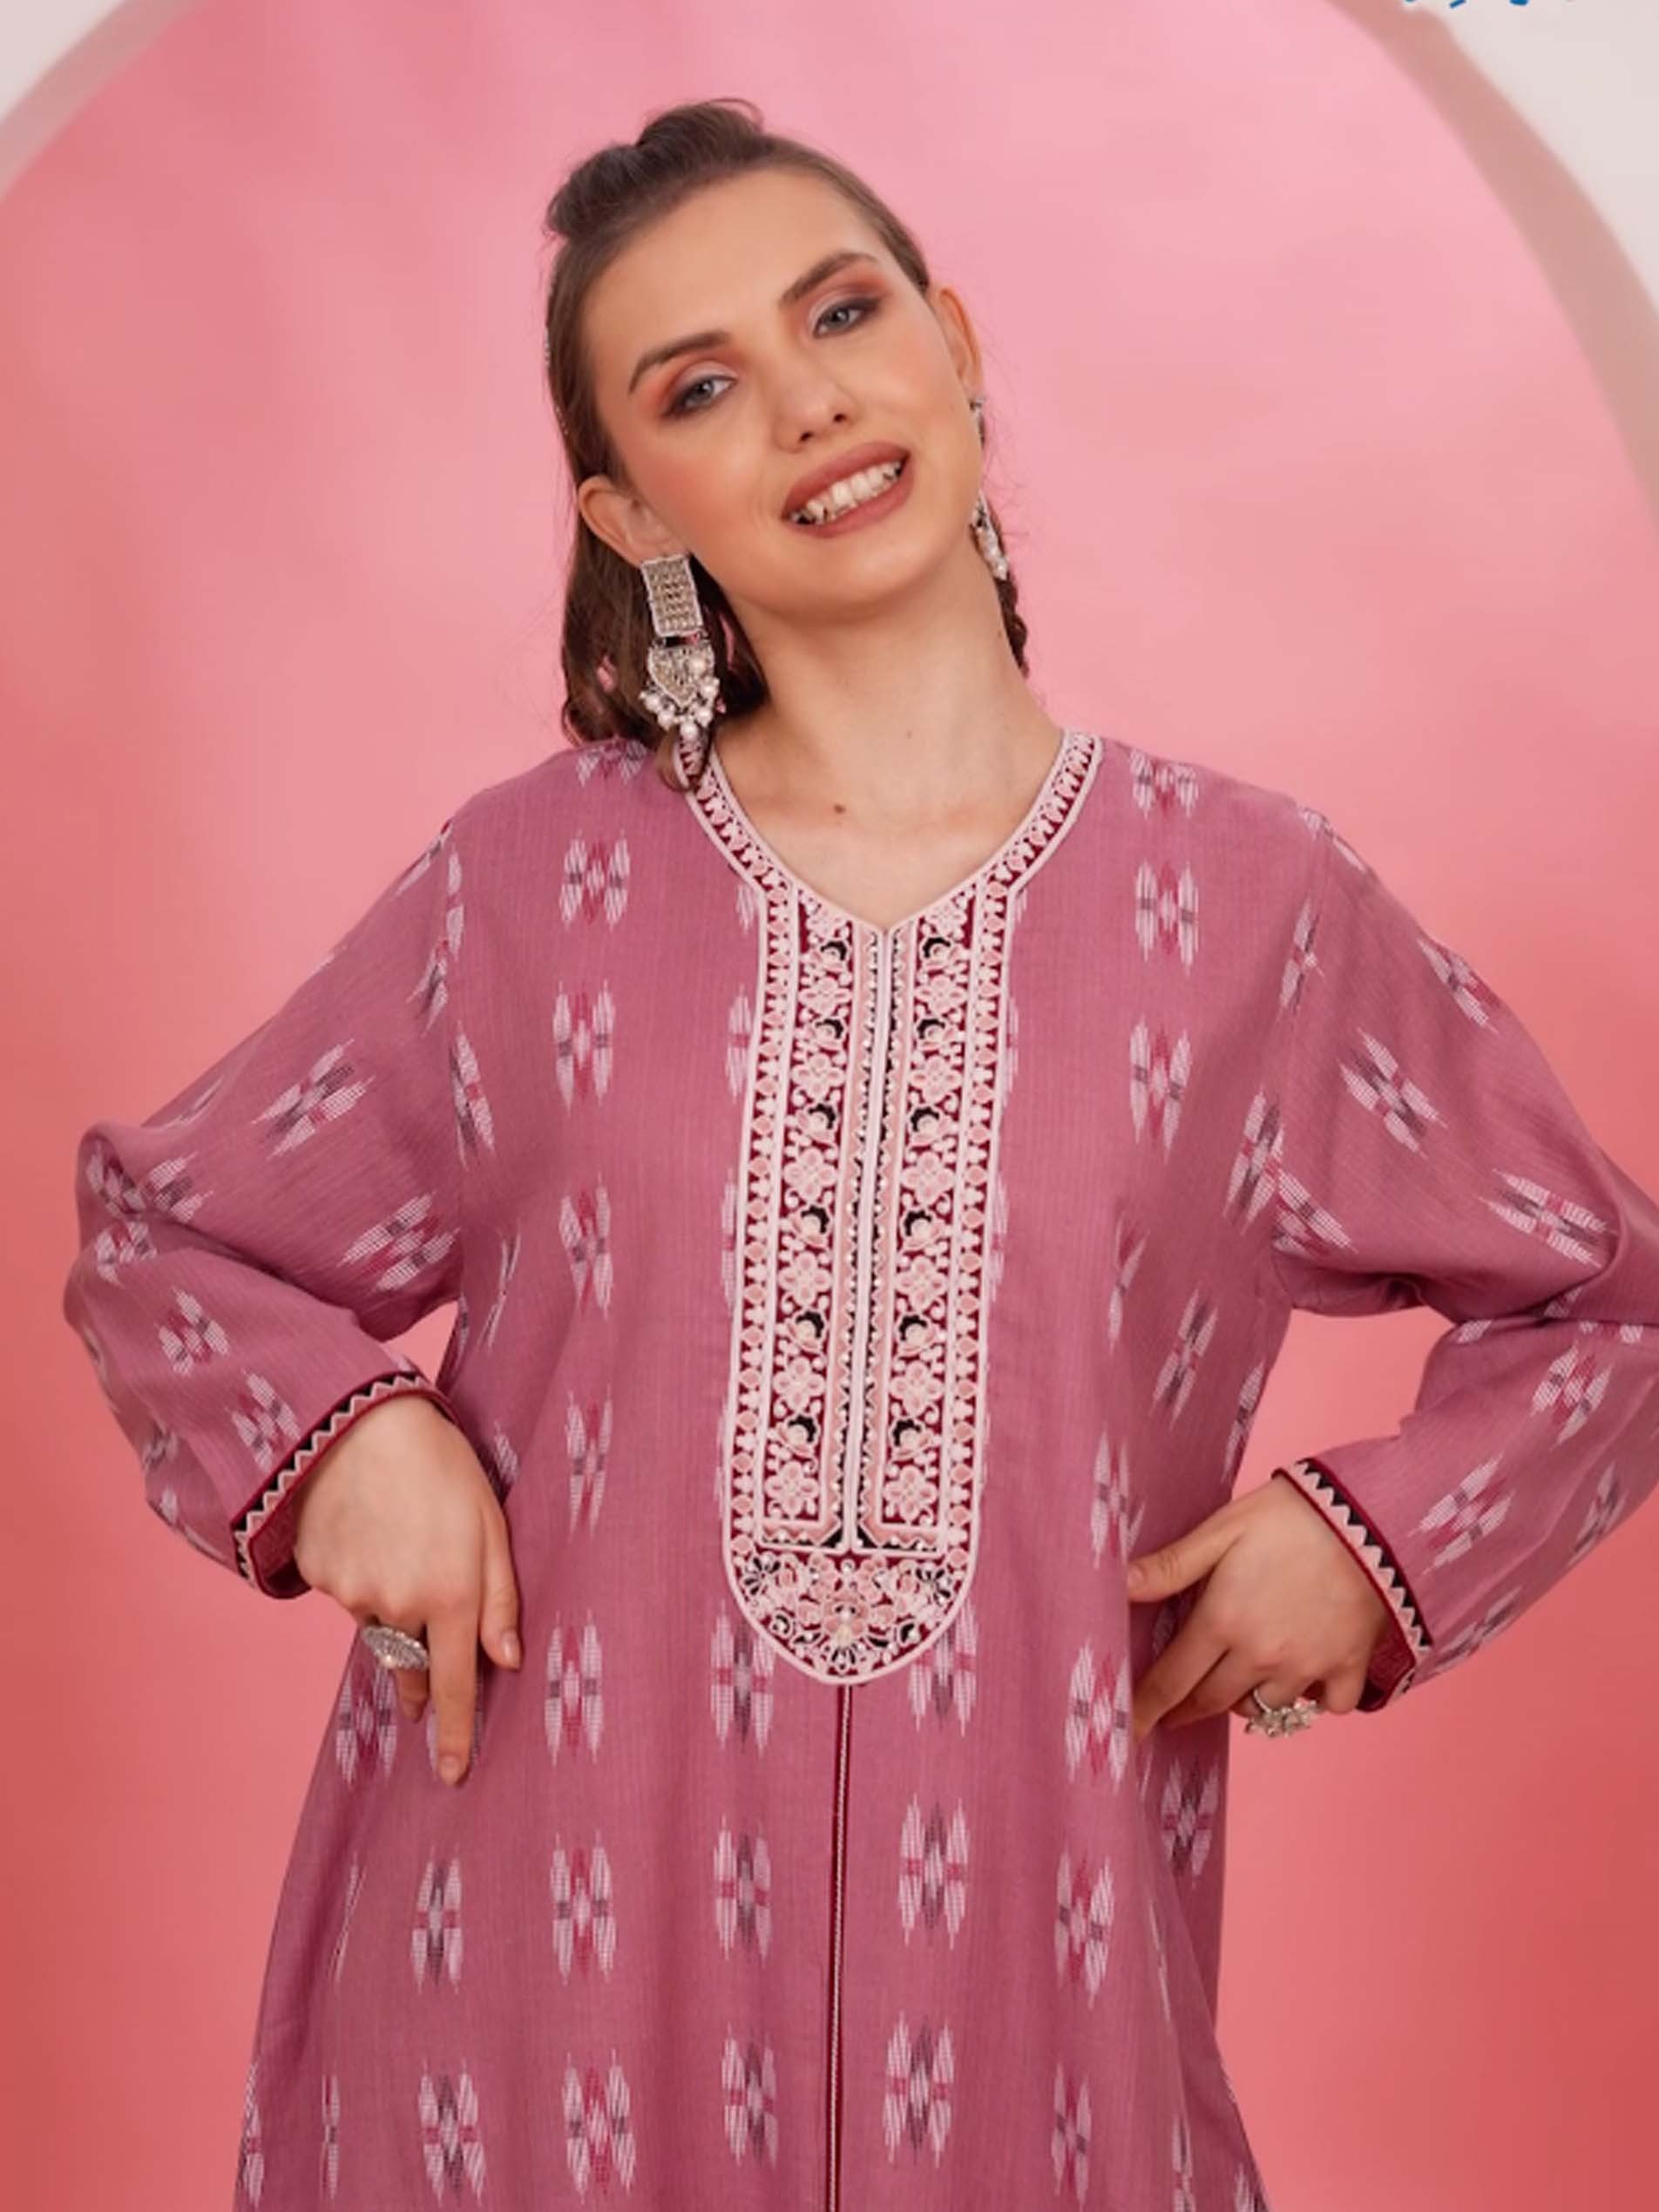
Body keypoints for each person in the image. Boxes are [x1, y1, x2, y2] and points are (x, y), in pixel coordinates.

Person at [61, 96, 1659, 2212]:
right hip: (526, 2014)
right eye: (698, 386)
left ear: (953, 343)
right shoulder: (523, 896)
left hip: (1029, 2019)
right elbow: (165, 1236)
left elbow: (1607, 1304)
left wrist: (1375, 1546)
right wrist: (348, 1440)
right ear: (632, 511)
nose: (807, 401)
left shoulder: (1253, 909)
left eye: (840, 314)